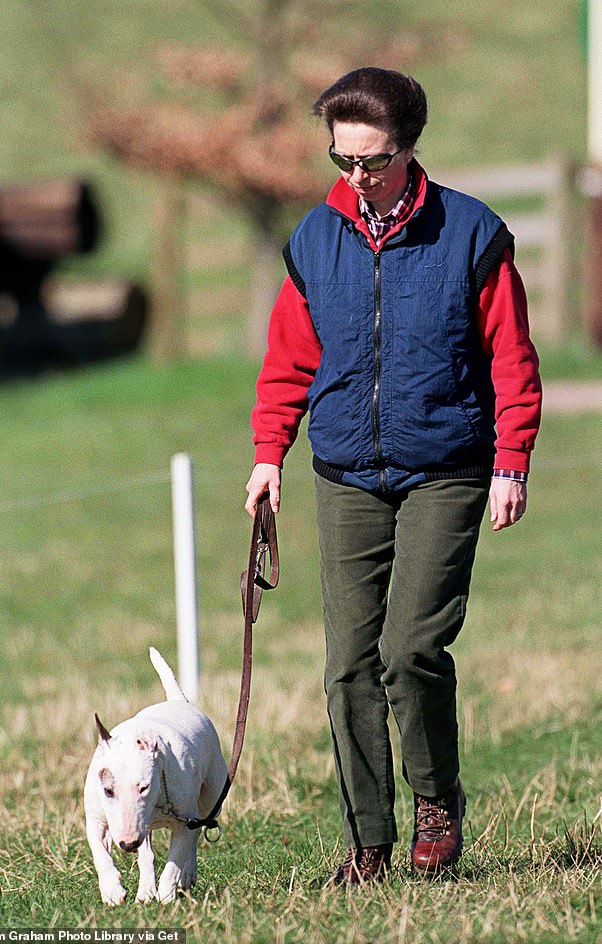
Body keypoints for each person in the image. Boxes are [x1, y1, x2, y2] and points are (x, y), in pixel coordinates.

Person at [245, 68, 542, 885]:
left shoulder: (473, 235)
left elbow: (512, 361)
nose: (355, 178)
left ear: (409, 151)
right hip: (344, 472)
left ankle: (436, 804)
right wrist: (270, 452)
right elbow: (288, 359)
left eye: (371, 162)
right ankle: (369, 843)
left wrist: (510, 462)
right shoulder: (315, 238)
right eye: (341, 161)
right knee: (347, 662)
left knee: (410, 649)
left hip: (445, 468)